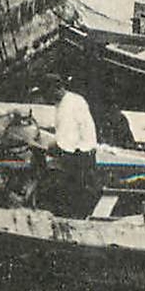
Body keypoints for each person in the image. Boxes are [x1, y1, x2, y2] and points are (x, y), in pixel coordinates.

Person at [31, 74, 100, 216]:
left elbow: (64, 144)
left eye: (46, 93)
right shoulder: (74, 99)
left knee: (69, 198)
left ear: (55, 89)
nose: (45, 98)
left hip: (79, 159)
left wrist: (40, 146)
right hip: (85, 154)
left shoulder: (66, 107)